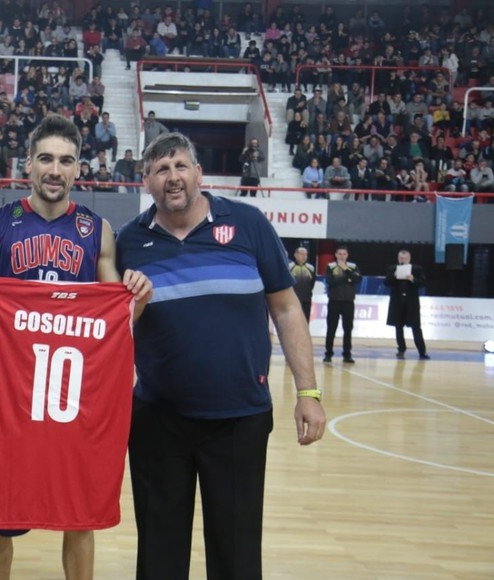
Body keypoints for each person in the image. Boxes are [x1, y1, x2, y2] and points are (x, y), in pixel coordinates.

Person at [0, 114, 152, 580]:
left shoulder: (96, 231)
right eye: (45, 159)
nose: (55, 170)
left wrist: (137, 297)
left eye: (65, 161)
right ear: (28, 165)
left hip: (72, 397)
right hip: (11, 397)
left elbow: (116, 322)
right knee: (1, 513)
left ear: (78, 169)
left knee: (78, 511)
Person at [114, 132, 326, 579]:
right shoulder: (127, 243)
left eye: (180, 166)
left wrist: (308, 391)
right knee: (159, 554)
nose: (172, 178)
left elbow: (287, 309)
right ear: (145, 183)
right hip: (157, 421)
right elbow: (109, 330)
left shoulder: (248, 225)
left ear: (198, 173)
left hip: (239, 419)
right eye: (160, 170)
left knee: (236, 554)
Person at [385, 250, 430, 360]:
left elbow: (422, 283)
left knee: (416, 327)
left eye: (405, 258)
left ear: (409, 259)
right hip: (397, 302)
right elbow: (386, 283)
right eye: (401, 258)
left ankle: (422, 351)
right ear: (398, 258)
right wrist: (394, 276)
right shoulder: (392, 269)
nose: (402, 260)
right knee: (398, 327)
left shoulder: (417, 269)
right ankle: (401, 349)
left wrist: (412, 279)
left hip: (411, 302)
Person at [324, 245, 361, 363]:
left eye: (344, 254)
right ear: (335, 255)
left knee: (348, 329)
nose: (341, 256)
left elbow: (357, 279)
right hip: (334, 301)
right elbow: (331, 282)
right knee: (331, 328)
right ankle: (328, 353)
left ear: (347, 255)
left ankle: (347, 354)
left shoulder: (353, 266)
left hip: (348, 302)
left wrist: (345, 270)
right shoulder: (330, 266)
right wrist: (347, 278)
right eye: (339, 254)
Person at [289, 246, 316, 321]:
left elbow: (312, 284)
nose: (304, 256)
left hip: (306, 300)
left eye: (306, 254)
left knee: (305, 321)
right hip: (292, 300)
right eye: (301, 254)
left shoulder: (311, 268)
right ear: (295, 255)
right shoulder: (289, 267)